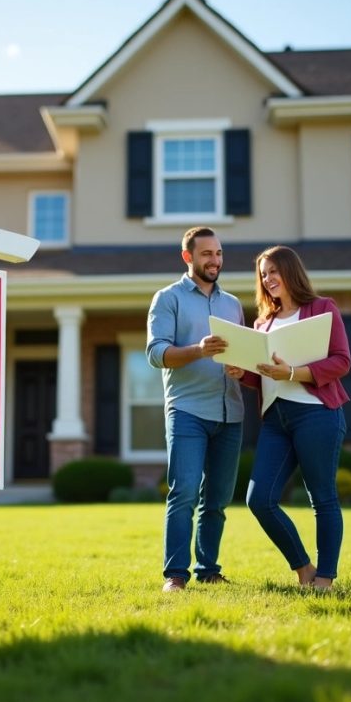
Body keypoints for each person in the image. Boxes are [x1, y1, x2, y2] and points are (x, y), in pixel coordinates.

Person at [223, 245, 351, 592]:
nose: (268, 280)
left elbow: (341, 361)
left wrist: (293, 372)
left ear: (290, 271)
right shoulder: (262, 322)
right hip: (276, 420)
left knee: (322, 497)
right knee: (258, 499)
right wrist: (241, 373)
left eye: (273, 272)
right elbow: (263, 377)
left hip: (317, 415)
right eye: (263, 275)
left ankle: (325, 577)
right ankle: (304, 568)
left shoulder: (323, 309)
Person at [147, 226, 245, 593]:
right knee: (184, 491)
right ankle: (175, 575)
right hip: (187, 410)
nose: (215, 260)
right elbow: (156, 354)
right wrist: (198, 350)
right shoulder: (167, 298)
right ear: (188, 257)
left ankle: (209, 569)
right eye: (207, 254)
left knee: (217, 500)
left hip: (230, 412)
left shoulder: (232, 304)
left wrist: (242, 367)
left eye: (218, 253)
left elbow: (244, 353)